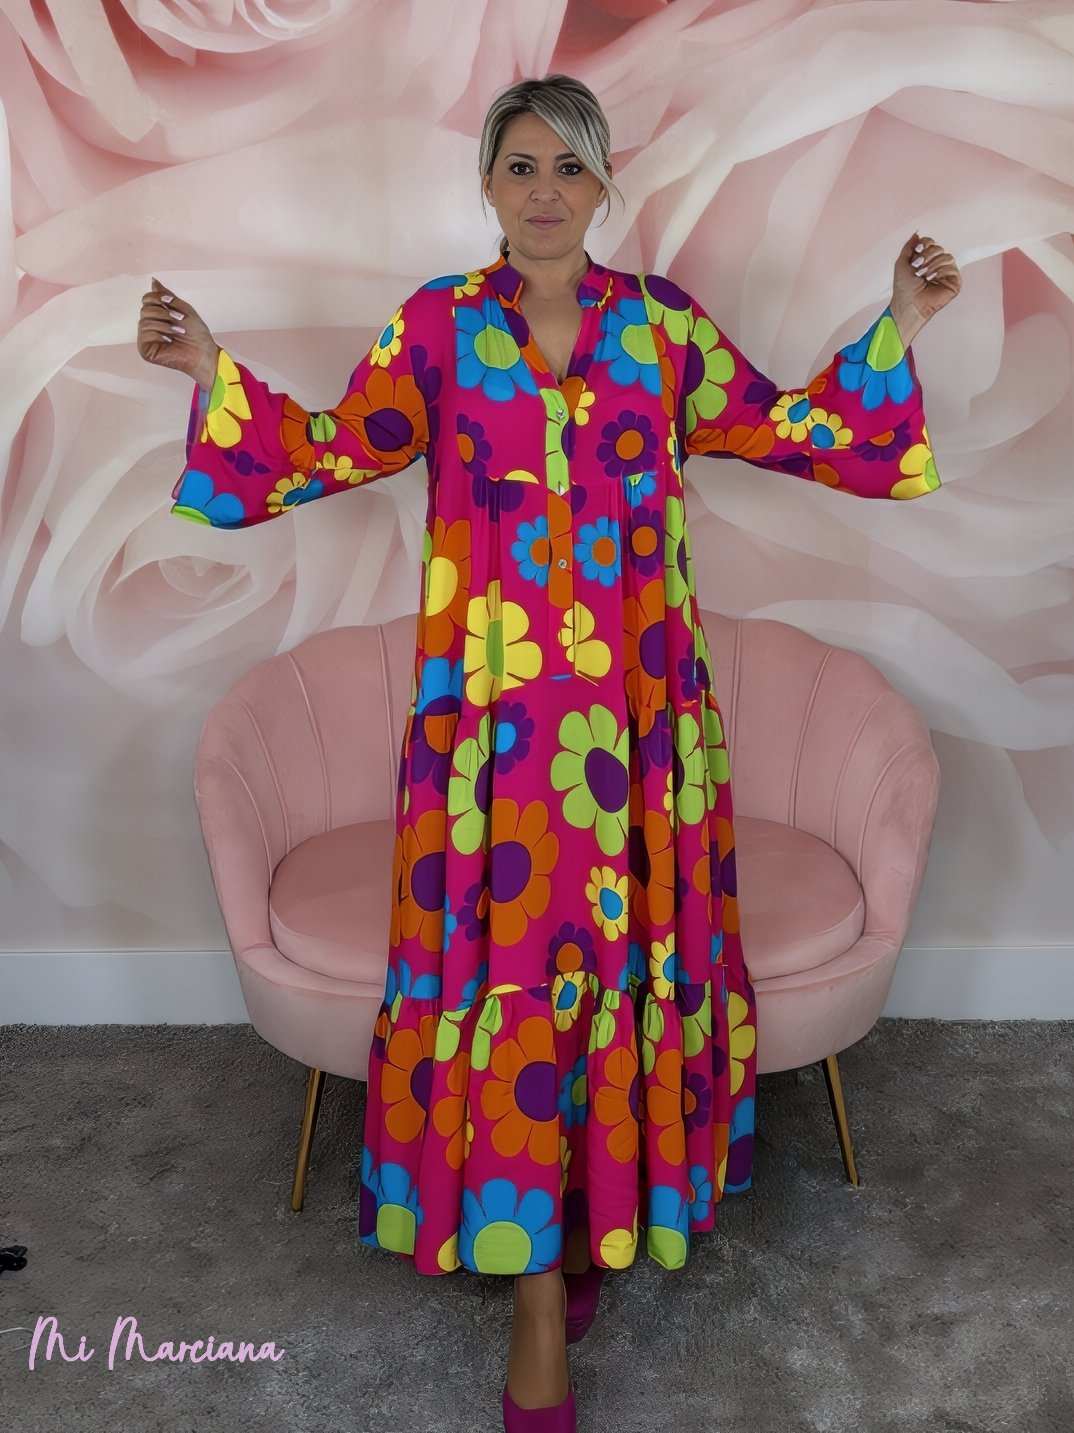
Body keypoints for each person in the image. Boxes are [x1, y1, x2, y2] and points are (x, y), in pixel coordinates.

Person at [138, 73, 959, 1433]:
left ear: (602, 184)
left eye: (568, 169)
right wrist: (208, 373)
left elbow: (792, 429)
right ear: (486, 182)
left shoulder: (662, 330)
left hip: (641, 732)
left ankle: (585, 1217)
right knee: (515, 985)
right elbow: (333, 450)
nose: (543, 194)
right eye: (520, 167)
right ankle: (531, 1293)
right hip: (493, 743)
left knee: (619, 972)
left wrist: (902, 324)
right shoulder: (438, 331)